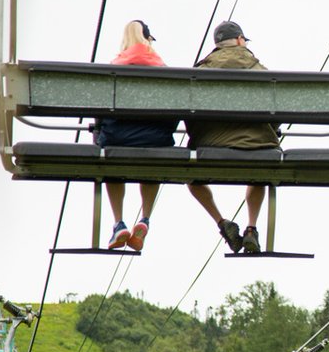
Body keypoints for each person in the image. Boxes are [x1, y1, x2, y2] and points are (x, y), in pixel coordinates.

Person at [185, 21, 278, 254]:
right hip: (258, 144)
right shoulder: (260, 70)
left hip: (209, 145)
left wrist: (199, 136)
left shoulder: (200, 71)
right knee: (259, 174)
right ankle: (251, 228)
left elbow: (187, 111)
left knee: (191, 178)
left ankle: (221, 222)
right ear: (239, 40)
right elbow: (277, 107)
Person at [95, 20, 176, 251]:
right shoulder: (163, 69)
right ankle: (145, 218)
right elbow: (174, 112)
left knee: (112, 163)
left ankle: (119, 223)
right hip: (156, 140)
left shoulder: (114, 67)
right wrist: (164, 133)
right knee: (151, 163)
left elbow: (99, 111)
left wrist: (100, 137)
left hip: (117, 139)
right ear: (149, 40)